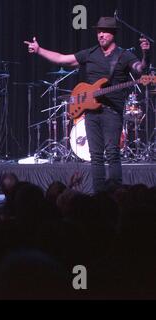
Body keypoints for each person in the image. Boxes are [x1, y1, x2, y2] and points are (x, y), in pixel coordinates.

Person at [25, 17, 151, 193]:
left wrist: (145, 55)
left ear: (113, 33)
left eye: (105, 31)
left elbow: (140, 69)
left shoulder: (124, 56)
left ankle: (116, 195)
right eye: (98, 31)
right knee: (96, 157)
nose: (101, 34)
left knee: (113, 154)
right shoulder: (90, 53)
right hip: (91, 113)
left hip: (112, 112)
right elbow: (63, 59)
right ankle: (99, 194)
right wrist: (39, 50)